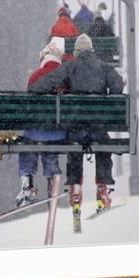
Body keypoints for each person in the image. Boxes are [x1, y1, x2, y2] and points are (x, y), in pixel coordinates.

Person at [28, 33, 124, 210]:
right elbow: (118, 85)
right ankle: (103, 187)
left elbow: (48, 82)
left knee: (74, 149)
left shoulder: (69, 67)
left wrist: (34, 88)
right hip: (98, 127)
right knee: (104, 150)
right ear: (92, 49)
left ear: (77, 52)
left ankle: (74, 187)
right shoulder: (104, 67)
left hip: (76, 126)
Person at [15, 37, 66, 207]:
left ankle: (27, 181)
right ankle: (52, 178)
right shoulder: (65, 75)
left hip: (36, 130)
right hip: (59, 133)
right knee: (50, 141)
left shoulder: (35, 76)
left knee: (29, 142)